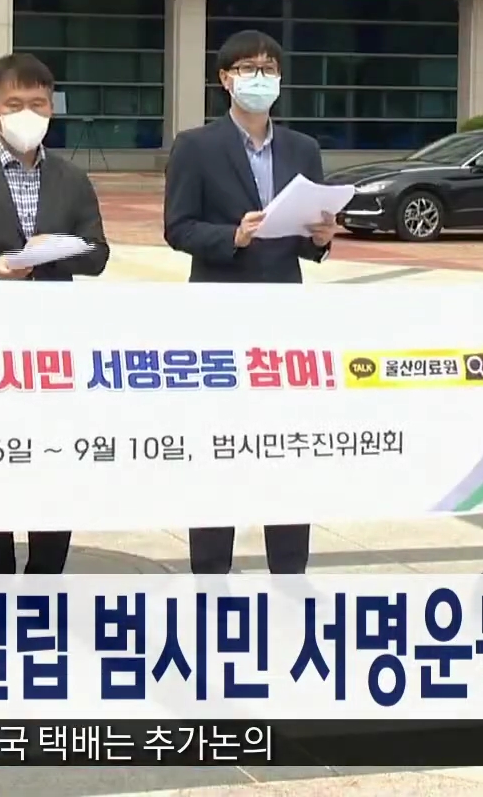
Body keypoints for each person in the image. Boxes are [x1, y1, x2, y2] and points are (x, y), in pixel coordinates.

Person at [162, 29, 336, 574]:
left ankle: (290, 569)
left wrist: (321, 238)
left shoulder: (303, 149)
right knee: (218, 446)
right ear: (225, 79)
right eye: (248, 69)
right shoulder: (195, 147)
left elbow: (305, 234)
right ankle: (211, 570)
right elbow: (178, 228)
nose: (259, 79)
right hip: (218, 315)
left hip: (284, 317)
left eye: (268, 69)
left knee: (287, 446)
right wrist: (231, 236)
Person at [0, 53, 110, 574]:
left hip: (55, 349)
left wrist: (56, 251)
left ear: (52, 108)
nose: (27, 113)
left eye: (38, 103)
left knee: (52, 464)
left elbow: (97, 254)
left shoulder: (72, 179)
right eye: (14, 104)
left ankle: (44, 578)